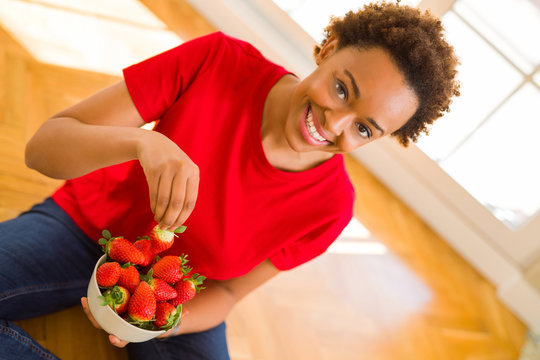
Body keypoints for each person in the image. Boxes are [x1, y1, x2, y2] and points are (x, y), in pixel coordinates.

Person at [0, 2, 459, 359]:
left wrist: (158, 324)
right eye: (342, 89)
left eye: (364, 128)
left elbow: (229, 292)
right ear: (329, 47)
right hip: (81, 229)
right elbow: (43, 147)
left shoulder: (331, 208)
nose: (335, 125)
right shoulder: (217, 60)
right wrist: (143, 145)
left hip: (176, 296)